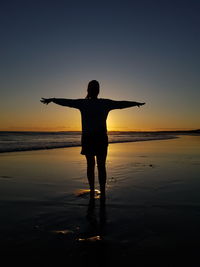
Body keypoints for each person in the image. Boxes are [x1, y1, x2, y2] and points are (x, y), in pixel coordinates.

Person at [41, 80, 145, 200]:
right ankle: (99, 191)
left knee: (93, 165)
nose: (95, 90)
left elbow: (121, 104)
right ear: (96, 90)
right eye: (95, 88)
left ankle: (94, 190)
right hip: (96, 138)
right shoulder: (99, 103)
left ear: (89, 90)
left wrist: (53, 100)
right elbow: (120, 104)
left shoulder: (87, 103)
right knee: (99, 166)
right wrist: (53, 100)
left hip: (92, 138)